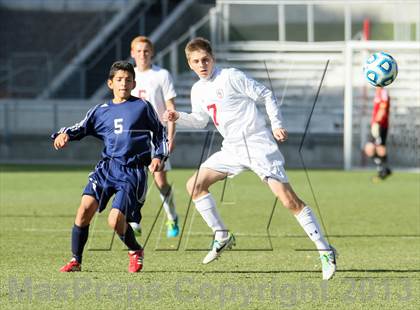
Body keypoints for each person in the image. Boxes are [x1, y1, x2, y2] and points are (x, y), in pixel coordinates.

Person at [164, 37, 337, 280]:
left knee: (288, 201)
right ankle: (222, 235)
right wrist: (177, 116)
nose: (202, 64)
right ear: (189, 64)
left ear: (212, 58)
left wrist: (276, 125)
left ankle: (325, 250)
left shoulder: (231, 76)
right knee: (194, 185)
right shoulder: (198, 89)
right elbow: (201, 121)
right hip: (232, 148)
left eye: (205, 59)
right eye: (196, 61)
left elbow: (265, 94)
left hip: (257, 144)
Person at [53, 60, 168, 273]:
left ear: (134, 84)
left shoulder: (142, 106)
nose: (123, 83)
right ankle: (75, 260)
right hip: (107, 168)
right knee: (84, 210)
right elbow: (81, 127)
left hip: (132, 171)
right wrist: (64, 134)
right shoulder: (100, 110)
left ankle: (135, 250)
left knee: (115, 220)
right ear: (110, 83)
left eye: (128, 80)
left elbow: (160, 133)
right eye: (119, 80)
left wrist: (159, 156)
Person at [130, 35, 179, 237]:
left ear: (152, 52)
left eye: (146, 50)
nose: (143, 54)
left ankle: (172, 217)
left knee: (159, 181)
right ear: (132, 53)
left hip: (156, 137)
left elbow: (171, 108)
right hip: (132, 138)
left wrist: (170, 137)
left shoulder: (162, 75)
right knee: (132, 180)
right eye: (139, 51)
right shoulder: (127, 75)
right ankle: (134, 221)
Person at [364, 87, 392, 180]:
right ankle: (384, 169)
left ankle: (383, 170)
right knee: (370, 148)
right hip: (377, 125)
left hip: (380, 125)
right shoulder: (379, 92)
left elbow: (383, 108)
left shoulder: (383, 92)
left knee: (378, 147)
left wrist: (376, 122)